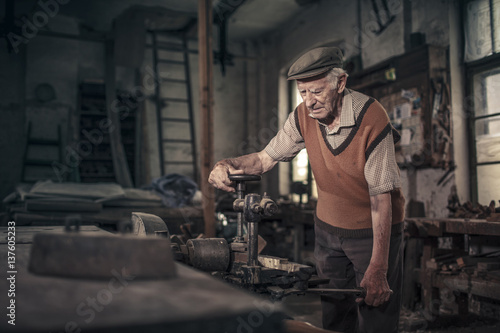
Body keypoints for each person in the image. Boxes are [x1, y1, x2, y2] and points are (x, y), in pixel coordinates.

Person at [208, 47, 405, 333]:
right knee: (335, 313)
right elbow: (264, 159)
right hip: (328, 229)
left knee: (376, 312)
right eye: (303, 93)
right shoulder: (302, 116)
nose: (309, 102)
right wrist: (226, 164)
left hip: (371, 231)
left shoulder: (371, 119)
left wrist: (378, 268)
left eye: (316, 91)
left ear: (340, 83)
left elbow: (380, 200)